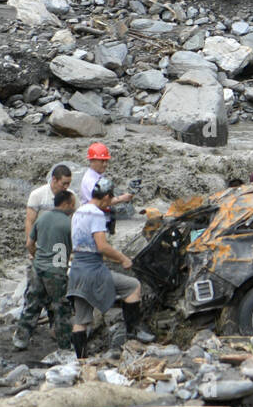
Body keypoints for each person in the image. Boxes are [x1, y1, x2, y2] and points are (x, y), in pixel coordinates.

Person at [66, 178, 154, 358]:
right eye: (110, 198)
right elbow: (102, 246)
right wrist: (123, 259)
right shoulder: (97, 214)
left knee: (81, 319)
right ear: (106, 197)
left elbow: (84, 244)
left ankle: (81, 360)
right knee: (132, 286)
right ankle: (132, 334)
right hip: (92, 269)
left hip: (77, 269)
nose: (110, 202)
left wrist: (109, 257)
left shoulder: (79, 211)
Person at [13, 190, 76, 351]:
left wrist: (37, 256)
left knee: (32, 304)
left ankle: (20, 340)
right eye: (73, 204)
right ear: (66, 204)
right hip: (56, 271)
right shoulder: (68, 224)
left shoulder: (42, 219)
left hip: (37, 268)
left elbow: (29, 244)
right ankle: (65, 345)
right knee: (61, 308)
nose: (74, 207)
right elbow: (75, 248)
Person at [78, 142, 135, 208]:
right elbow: (100, 202)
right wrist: (121, 198)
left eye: (106, 161)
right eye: (102, 161)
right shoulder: (90, 180)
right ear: (92, 160)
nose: (105, 164)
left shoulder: (98, 175)